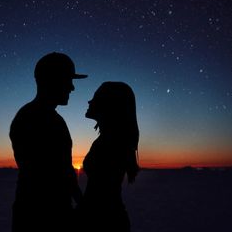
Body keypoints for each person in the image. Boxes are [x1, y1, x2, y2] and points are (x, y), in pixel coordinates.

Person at [9, 52, 87, 231]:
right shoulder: (39, 119)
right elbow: (53, 173)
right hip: (42, 217)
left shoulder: (41, 117)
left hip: (41, 213)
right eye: (69, 80)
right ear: (53, 81)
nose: (72, 88)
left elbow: (63, 170)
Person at [77, 81, 140, 232]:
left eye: (96, 97)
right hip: (108, 219)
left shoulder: (111, 142)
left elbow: (100, 195)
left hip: (105, 222)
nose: (89, 101)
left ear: (109, 105)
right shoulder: (111, 139)